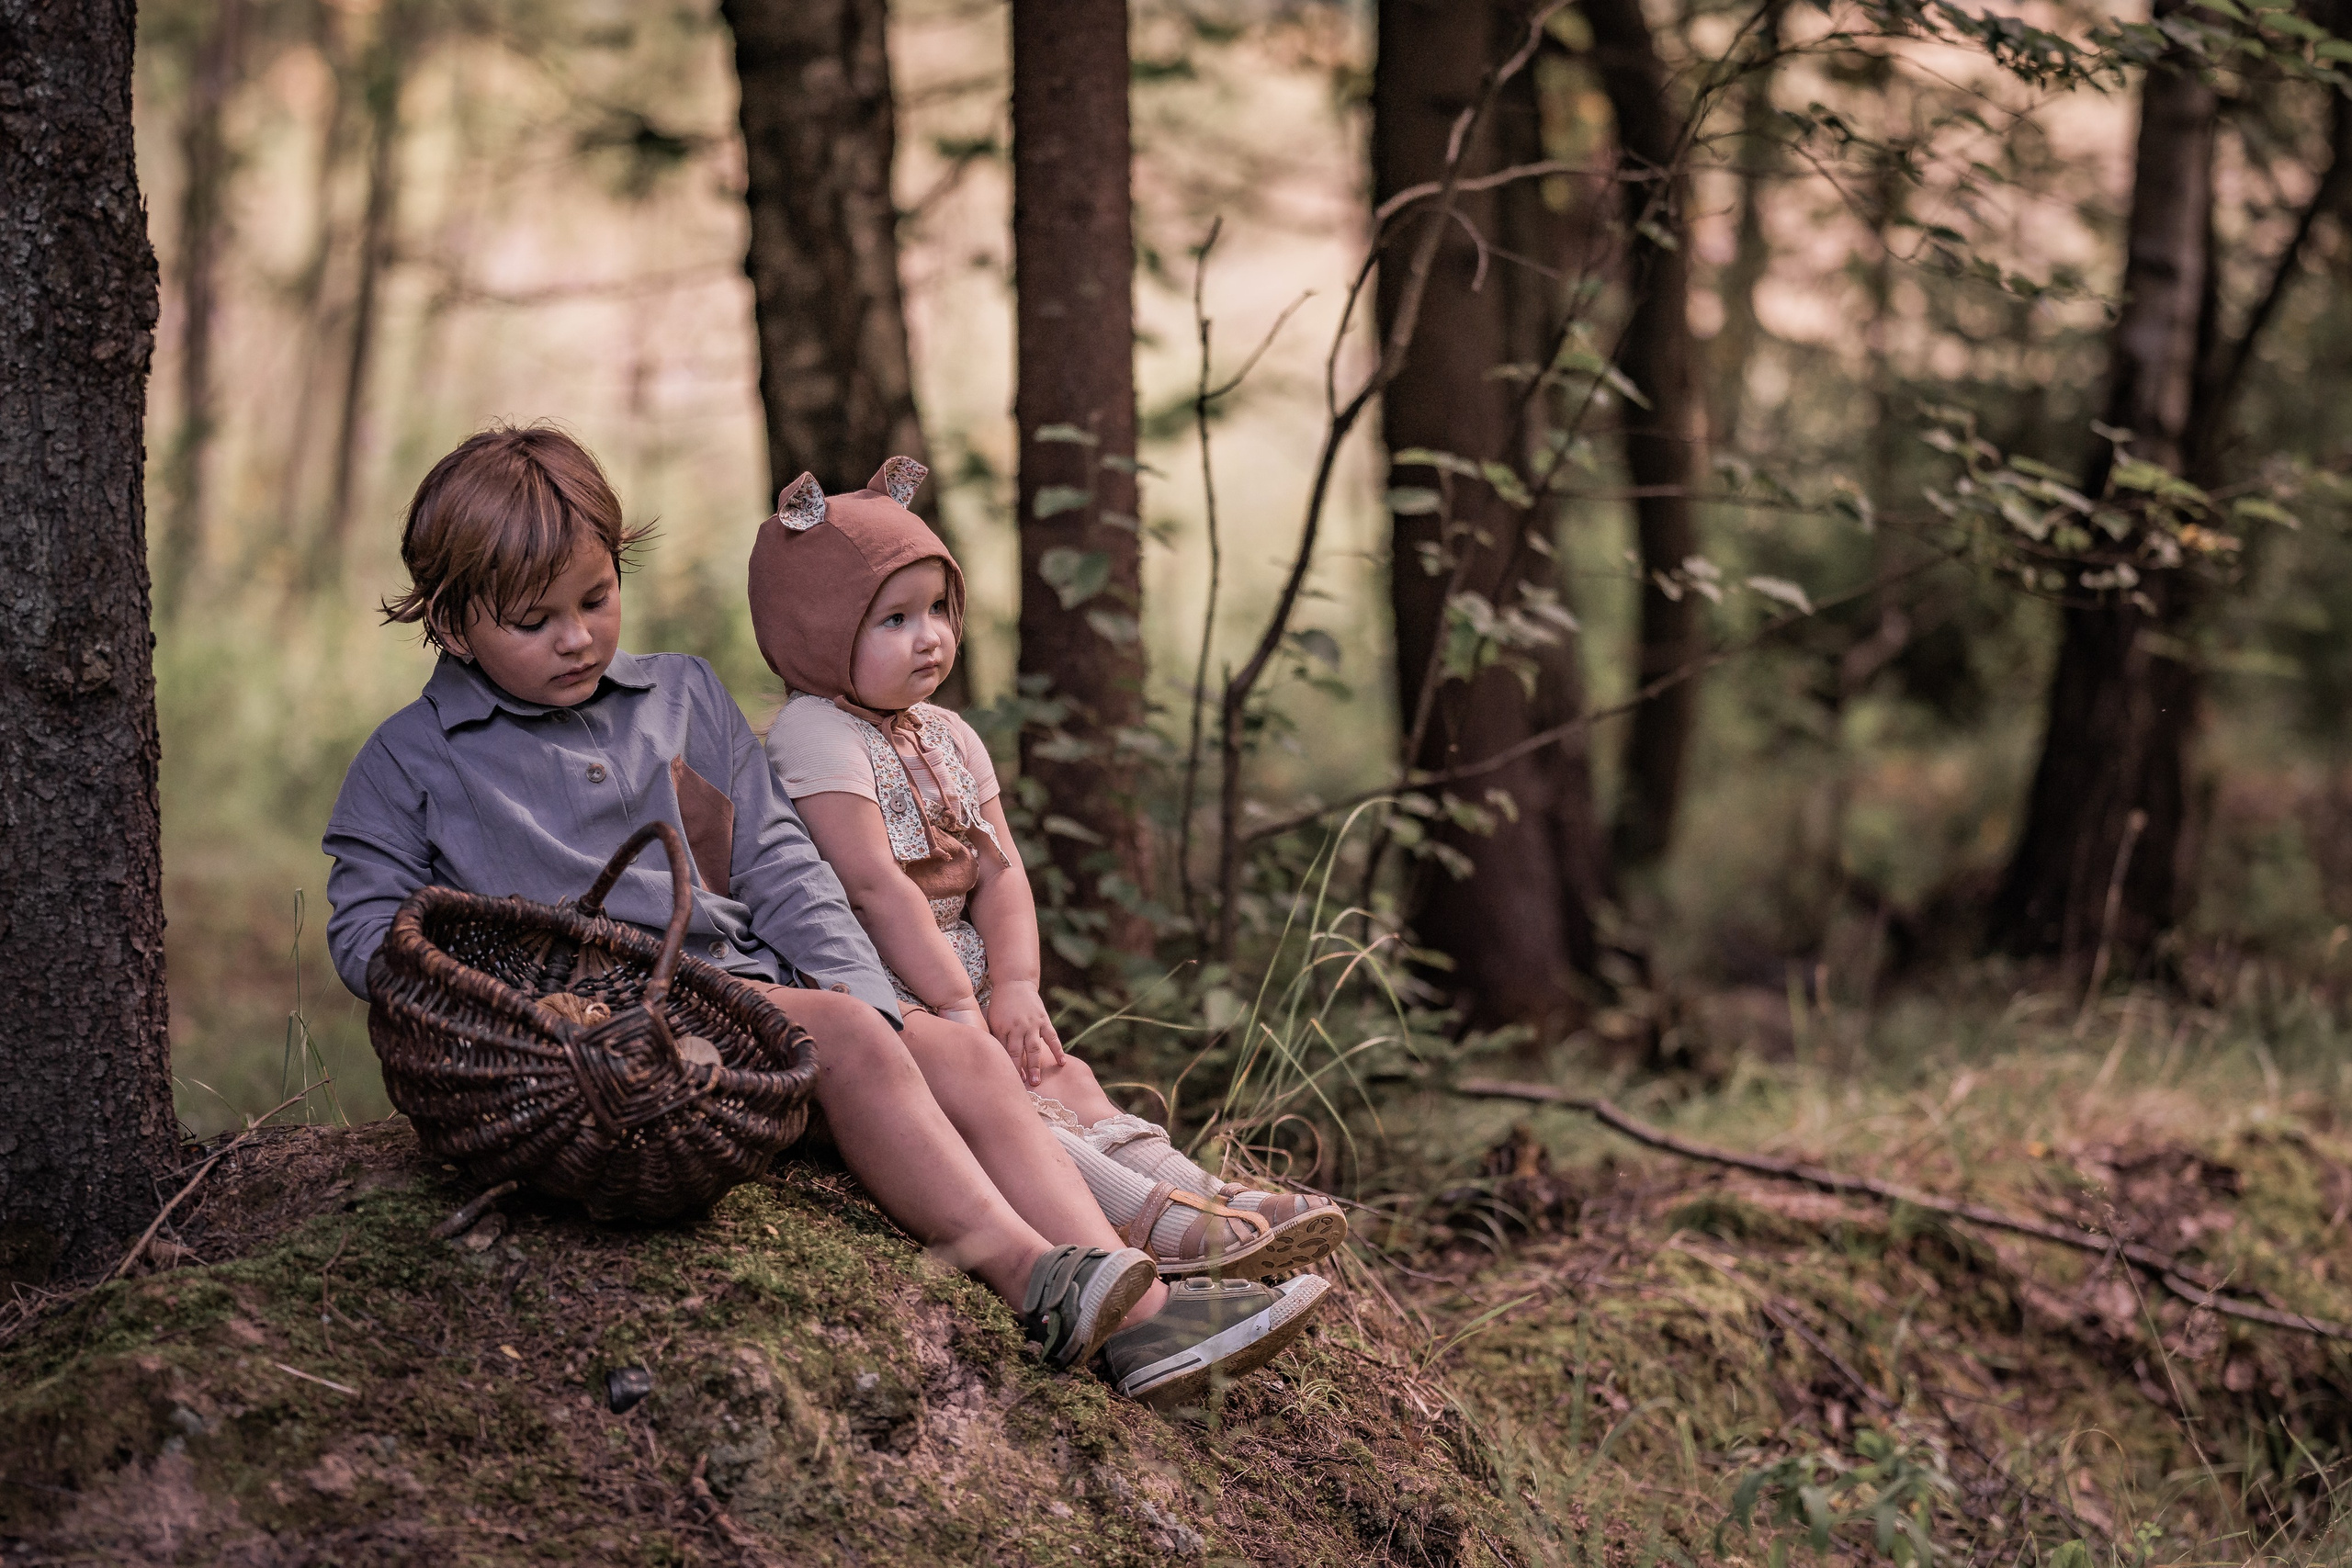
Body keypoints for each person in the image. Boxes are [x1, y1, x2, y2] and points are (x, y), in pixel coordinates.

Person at [322, 424, 1321, 1406]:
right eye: (534, 621)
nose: (579, 636)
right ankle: (1036, 1280)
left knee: (952, 1049)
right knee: (847, 1033)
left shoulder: (680, 696)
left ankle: (1132, 1306)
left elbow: (780, 861)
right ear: (453, 626)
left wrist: (868, 1000)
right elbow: (368, 934)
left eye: (598, 598)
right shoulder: (411, 760)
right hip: (610, 1049)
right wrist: (521, 994)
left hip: (754, 1003)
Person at [747, 457, 1349, 1291]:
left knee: (1065, 1077)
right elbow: (872, 886)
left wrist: (1016, 985)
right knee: (1005, 1101)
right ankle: (1142, 1222)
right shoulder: (816, 735)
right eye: (891, 620)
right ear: (814, 629)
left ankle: (1204, 1196)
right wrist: (959, 1009)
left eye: (936, 611)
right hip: (893, 993)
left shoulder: (949, 733)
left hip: (968, 982)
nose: (929, 636)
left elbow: (1002, 875)